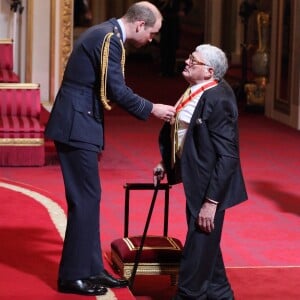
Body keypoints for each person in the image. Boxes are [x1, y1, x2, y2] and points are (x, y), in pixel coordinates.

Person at [45, 1, 176, 296]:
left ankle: (91, 269)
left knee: (90, 199)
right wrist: (152, 108)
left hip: (81, 122)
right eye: (152, 33)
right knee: (84, 201)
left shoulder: (107, 35)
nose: (151, 39)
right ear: (140, 24)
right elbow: (116, 89)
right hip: (76, 125)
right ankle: (72, 276)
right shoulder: (108, 39)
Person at [154, 44, 248, 300]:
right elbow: (188, 135)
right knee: (205, 243)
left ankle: (188, 294)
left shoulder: (220, 99)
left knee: (196, 248)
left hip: (210, 187)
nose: (186, 62)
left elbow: (228, 156)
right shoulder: (198, 89)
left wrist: (211, 203)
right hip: (197, 180)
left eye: (192, 61)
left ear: (208, 71)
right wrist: (168, 162)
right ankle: (220, 293)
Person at [152, 0, 193, 77]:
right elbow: (155, 5)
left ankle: (170, 71)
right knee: (163, 47)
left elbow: (189, 3)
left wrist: (184, 11)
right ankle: (163, 70)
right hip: (163, 21)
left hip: (174, 22)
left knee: (172, 47)